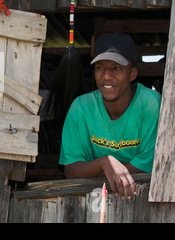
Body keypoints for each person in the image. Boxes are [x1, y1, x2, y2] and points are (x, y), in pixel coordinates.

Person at [59, 33, 161, 199]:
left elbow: (151, 165)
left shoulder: (150, 104)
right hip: (94, 201)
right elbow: (71, 170)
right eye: (100, 67)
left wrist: (100, 174)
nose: (106, 76)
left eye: (117, 68)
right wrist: (104, 162)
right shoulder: (81, 107)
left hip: (144, 198)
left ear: (133, 74)